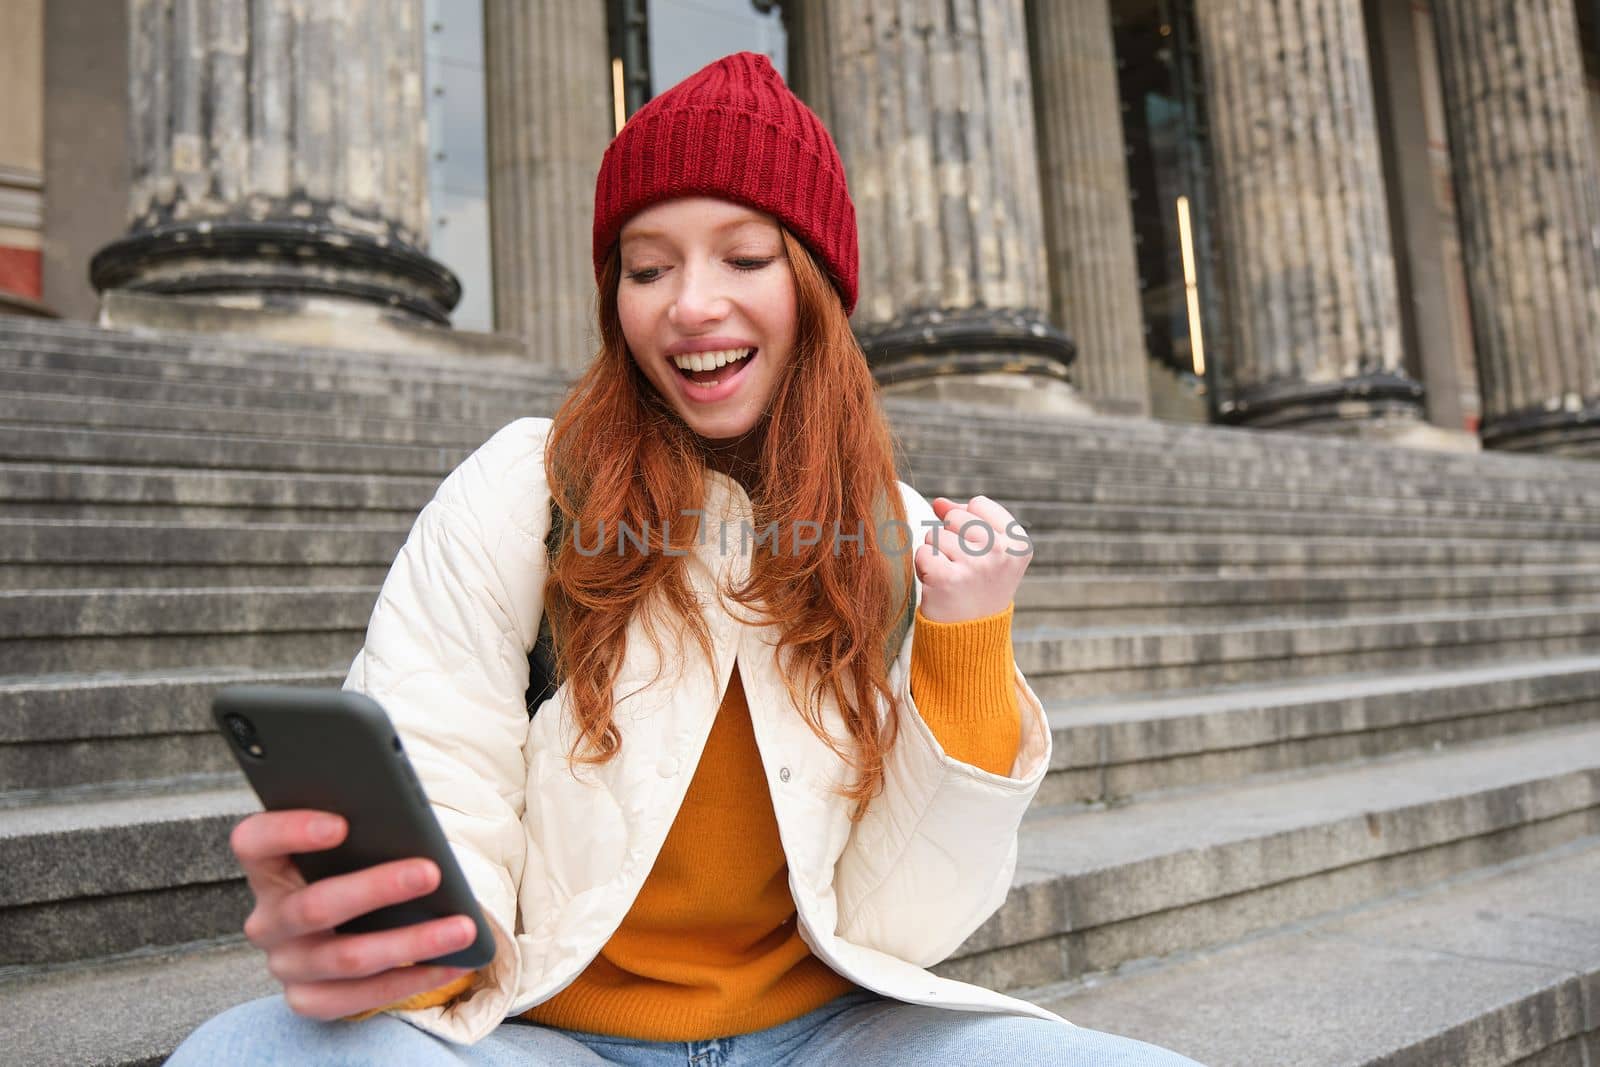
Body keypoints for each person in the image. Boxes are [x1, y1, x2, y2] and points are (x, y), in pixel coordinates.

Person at [170, 52, 1205, 1066]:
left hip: (838, 1031)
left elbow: (911, 917)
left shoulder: (894, 530)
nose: (689, 304)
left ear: (814, 285)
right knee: (250, 1050)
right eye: (648, 266)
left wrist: (965, 641)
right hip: (550, 1032)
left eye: (745, 258)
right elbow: (439, 772)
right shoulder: (521, 487)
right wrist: (399, 947)